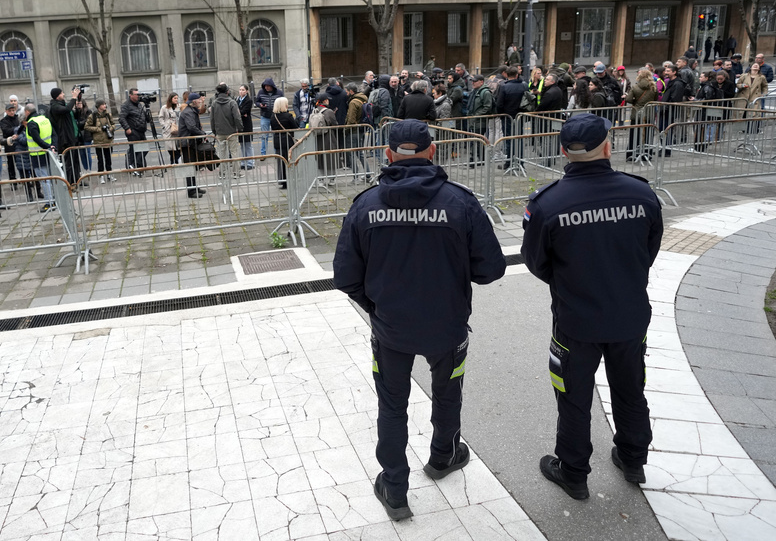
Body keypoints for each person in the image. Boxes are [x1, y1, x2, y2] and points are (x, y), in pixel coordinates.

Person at [333, 120, 506, 521]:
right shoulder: (460, 202)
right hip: (448, 327)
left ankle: (395, 489)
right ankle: (444, 455)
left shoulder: (366, 204)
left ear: (389, 155)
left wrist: (376, 306)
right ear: (432, 152)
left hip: (391, 330)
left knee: (392, 406)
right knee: (448, 393)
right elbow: (491, 269)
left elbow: (345, 277)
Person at [522, 113, 663, 500]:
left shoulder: (548, 204)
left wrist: (573, 282)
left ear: (563, 151)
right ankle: (634, 459)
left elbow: (536, 262)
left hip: (575, 320)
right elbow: (648, 250)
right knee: (631, 390)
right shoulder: (642, 194)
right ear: (608, 145)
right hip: (629, 317)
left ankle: (574, 473)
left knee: (573, 398)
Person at [48, 86, 83, 185]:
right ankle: (68, 182)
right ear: (57, 96)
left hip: (74, 136)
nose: (63, 94)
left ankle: (76, 180)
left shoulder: (63, 104)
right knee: (68, 162)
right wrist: (74, 97)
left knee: (75, 161)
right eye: (62, 93)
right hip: (66, 138)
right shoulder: (55, 106)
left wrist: (78, 109)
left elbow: (72, 115)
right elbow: (67, 110)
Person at [25, 103, 55, 212]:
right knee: (51, 178)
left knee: (44, 180)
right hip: (48, 152)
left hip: (37, 154)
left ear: (27, 112)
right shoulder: (44, 118)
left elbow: (37, 139)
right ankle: (54, 199)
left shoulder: (31, 123)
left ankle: (49, 202)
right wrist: (52, 146)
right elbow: (53, 133)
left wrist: (47, 146)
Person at [209, 83, 242, 178]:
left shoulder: (214, 103)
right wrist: (239, 128)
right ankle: (236, 173)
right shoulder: (232, 102)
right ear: (227, 91)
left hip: (219, 131)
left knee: (222, 153)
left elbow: (212, 119)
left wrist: (214, 130)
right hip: (231, 131)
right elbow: (237, 117)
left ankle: (222, 173)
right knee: (234, 152)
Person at [178, 92, 207, 198]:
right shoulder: (188, 112)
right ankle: (191, 191)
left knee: (193, 167)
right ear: (194, 101)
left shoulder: (192, 111)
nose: (200, 101)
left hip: (191, 143)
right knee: (189, 167)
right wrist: (202, 134)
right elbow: (191, 127)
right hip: (187, 143)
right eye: (199, 100)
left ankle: (194, 187)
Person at [118, 88, 149, 174]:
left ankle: (134, 165)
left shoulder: (139, 104)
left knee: (144, 149)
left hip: (141, 130)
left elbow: (143, 116)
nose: (138, 96)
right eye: (136, 94)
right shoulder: (126, 105)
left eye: (138, 94)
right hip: (133, 130)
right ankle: (135, 166)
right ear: (130, 95)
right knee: (135, 149)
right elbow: (121, 118)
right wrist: (127, 128)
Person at [270, 97, 297, 189]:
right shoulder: (288, 116)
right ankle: (291, 179)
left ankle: (283, 180)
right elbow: (295, 127)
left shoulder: (273, 116)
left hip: (278, 141)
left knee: (280, 161)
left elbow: (273, 128)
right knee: (289, 160)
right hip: (288, 141)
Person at [86, 100, 117, 181]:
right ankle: (101, 175)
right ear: (98, 106)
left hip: (108, 139)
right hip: (98, 141)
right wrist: (98, 129)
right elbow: (87, 126)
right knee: (100, 159)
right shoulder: (93, 116)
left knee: (108, 158)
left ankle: (109, 174)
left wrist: (110, 128)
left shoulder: (108, 114)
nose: (105, 106)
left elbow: (113, 124)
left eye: (105, 104)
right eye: (103, 104)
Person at [254, 78, 283, 156]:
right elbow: (257, 101)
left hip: (275, 116)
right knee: (264, 136)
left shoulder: (279, 92)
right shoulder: (261, 92)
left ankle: (276, 153)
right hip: (265, 116)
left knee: (275, 135)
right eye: (265, 86)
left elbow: (283, 101)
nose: (266, 87)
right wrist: (260, 105)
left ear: (272, 86)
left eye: (268, 86)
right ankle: (263, 154)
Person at [0, 103, 22, 183]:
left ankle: (22, 178)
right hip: (10, 144)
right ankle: (13, 180)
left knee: (20, 162)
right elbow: (6, 130)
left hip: (18, 143)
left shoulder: (17, 119)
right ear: (6, 111)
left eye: (13, 110)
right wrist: (17, 129)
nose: (12, 112)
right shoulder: (3, 121)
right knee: (11, 163)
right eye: (10, 111)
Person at [159, 93, 182, 165]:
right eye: (175, 98)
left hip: (177, 129)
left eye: (177, 98)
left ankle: (175, 162)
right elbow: (160, 117)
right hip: (168, 130)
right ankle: (173, 162)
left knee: (178, 148)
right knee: (171, 148)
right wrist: (164, 126)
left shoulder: (179, 106)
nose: (176, 99)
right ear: (171, 99)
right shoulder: (164, 108)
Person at [236, 85, 255, 168]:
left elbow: (244, 111)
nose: (241, 91)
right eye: (240, 90)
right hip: (240, 124)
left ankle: (250, 162)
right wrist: (240, 113)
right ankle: (243, 162)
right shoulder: (237, 100)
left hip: (247, 124)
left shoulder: (248, 100)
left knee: (248, 144)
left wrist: (240, 113)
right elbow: (237, 111)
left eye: (243, 90)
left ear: (246, 91)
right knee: (242, 144)